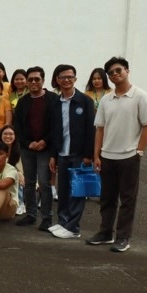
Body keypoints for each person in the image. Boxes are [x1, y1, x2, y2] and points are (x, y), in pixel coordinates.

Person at [87, 57, 147, 253]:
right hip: (107, 156)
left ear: (127, 71)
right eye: (111, 73)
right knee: (107, 198)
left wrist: (139, 150)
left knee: (127, 199)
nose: (115, 75)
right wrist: (96, 155)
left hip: (129, 157)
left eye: (118, 71)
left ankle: (123, 237)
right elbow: (100, 128)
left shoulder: (140, 96)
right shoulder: (107, 99)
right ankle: (105, 232)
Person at [47, 64, 96, 240]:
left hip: (79, 153)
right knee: (64, 189)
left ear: (75, 79)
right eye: (63, 77)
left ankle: (73, 227)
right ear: (57, 80)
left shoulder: (85, 101)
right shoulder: (55, 103)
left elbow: (91, 130)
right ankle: (63, 222)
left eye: (70, 77)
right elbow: (53, 130)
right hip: (61, 152)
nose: (66, 80)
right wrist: (53, 154)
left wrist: (88, 155)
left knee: (77, 191)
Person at [12, 66, 59, 231]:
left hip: (46, 149)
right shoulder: (23, 102)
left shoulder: (53, 99)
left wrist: (45, 141)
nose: (33, 82)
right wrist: (27, 142)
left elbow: (56, 125)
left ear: (43, 81)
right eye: (30, 79)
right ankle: (31, 214)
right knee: (29, 182)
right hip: (27, 148)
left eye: (36, 79)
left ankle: (47, 217)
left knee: (45, 184)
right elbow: (17, 125)